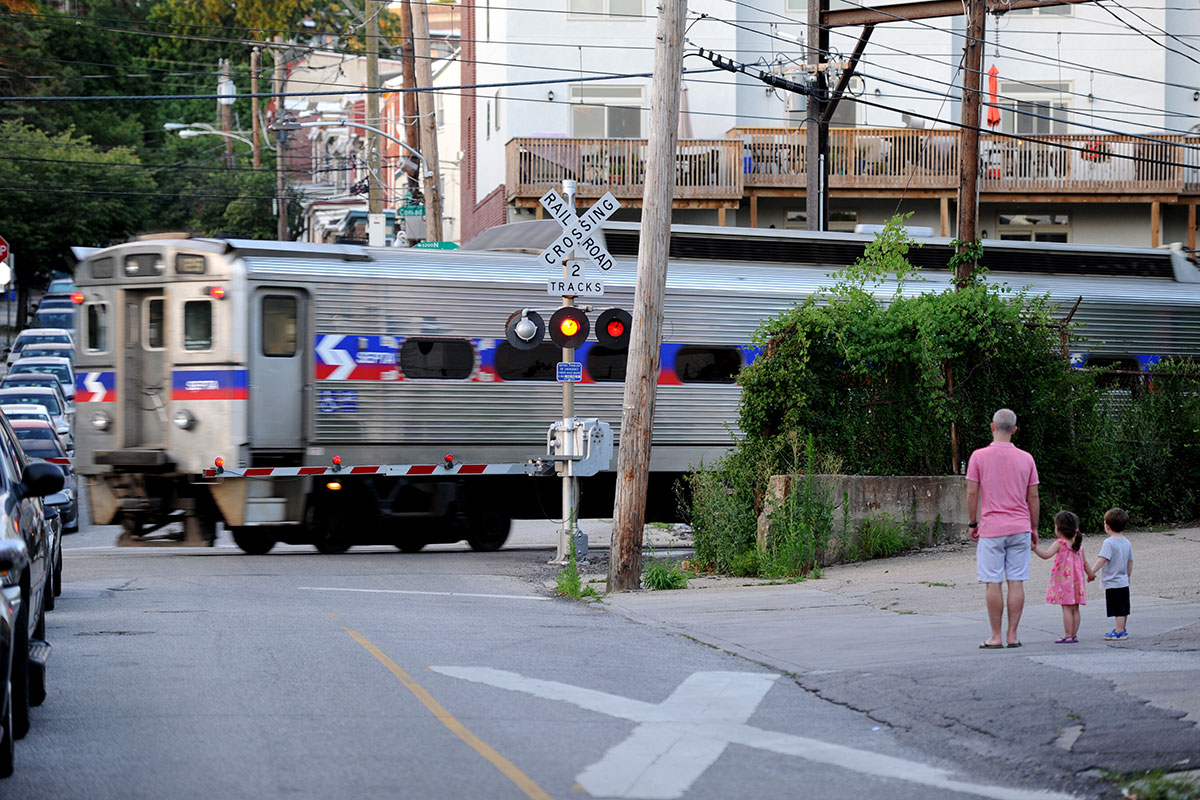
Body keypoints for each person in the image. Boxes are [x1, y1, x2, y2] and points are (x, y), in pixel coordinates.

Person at [966, 408, 1040, 649]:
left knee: (993, 582)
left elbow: (972, 493)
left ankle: (995, 636)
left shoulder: (978, 457)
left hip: (991, 528)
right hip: (1020, 527)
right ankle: (1013, 635)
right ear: (1015, 430)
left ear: (992, 427)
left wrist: (973, 523)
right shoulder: (1027, 458)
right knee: (1016, 581)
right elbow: (1033, 497)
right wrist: (1034, 527)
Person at [1033, 510, 1094, 643]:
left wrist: (1035, 548)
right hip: (1077, 582)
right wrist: (1091, 574)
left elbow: (1046, 555)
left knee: (1066, 607)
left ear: (1059, 529)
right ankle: (1074, 634)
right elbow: (1085, 563)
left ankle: (1067, 635)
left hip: (1064, 582)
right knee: (1075, 608)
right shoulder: (1078, 545)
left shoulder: (1060, 543)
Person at [1091, 507, 1134, 641]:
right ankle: (1122, 629)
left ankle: (1119, 631)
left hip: (1113, 581)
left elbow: (1102, 559)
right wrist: (1128, 575)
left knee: (1117, 608)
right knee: (1123, 607)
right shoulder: (1126, 542)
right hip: (1122, 580)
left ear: (1107, 526)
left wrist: (1091, 571)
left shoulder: (1108, 543)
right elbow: (1130, 561)